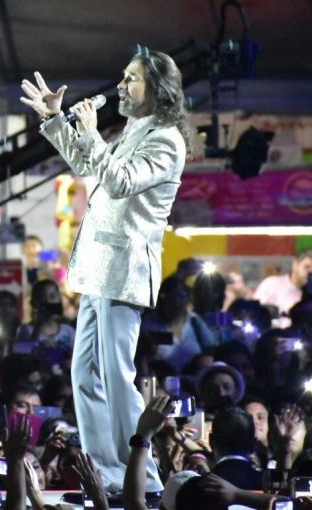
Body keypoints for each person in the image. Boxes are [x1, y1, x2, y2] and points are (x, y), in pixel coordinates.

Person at [20, 47, 191, 494]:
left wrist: (93, 132)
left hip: (127, 268)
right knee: (85, 376)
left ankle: (145, 477)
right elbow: (86, 166)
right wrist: (57, 121)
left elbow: (119, 181)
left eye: (130, 79)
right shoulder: (138, 127)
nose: (120, 86)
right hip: (100, 268)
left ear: (157, 89)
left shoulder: (166, 138)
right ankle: (106, 473)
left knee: (116, 375)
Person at [253, 248, 312, 316]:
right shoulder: (272, 284)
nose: (310, 272)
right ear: (295, 265)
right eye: (307, 267)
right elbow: (255, 310)